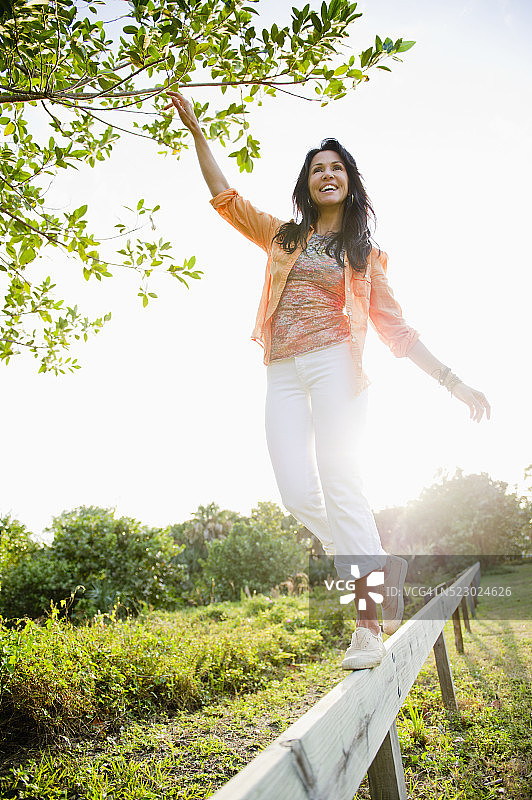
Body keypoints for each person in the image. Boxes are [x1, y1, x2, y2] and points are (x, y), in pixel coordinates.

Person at [164, 91, 491, 670]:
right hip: (281, 370)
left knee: (342, 484)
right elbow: (226, 200)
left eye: (337, 167)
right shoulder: (283, 237)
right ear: (307, 185)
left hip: (337, 364)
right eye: (318, 169)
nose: (327, 174)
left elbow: (398, 331)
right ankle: (377, 565)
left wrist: (454, 382)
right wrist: (197, 133)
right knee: (296, 493)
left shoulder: (364, 257)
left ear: (350, 182)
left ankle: (368, 623)